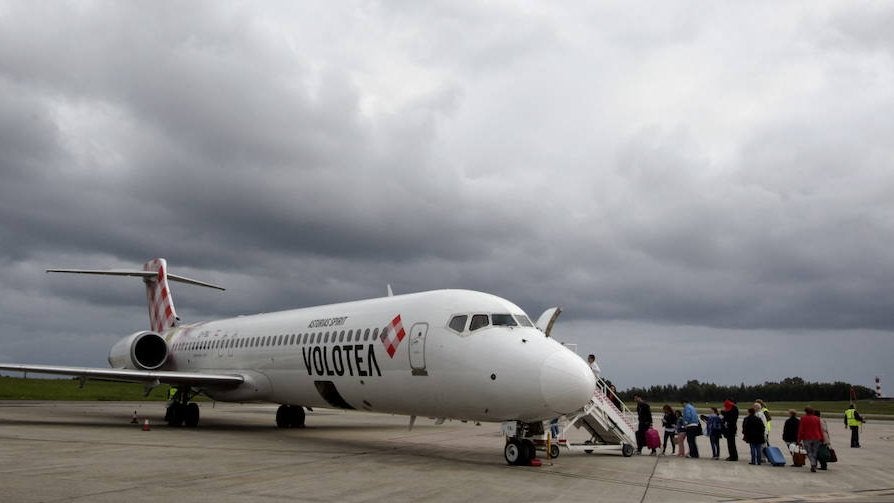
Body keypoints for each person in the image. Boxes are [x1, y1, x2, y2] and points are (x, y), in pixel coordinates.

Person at [798, 406, 824, 473]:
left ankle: (813, 464)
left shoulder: (803, 418)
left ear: (806, 411)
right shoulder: (817, 418)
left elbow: (801, 429)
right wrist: (822, 437)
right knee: (815, 452)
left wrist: (799, 438)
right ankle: (814, 464)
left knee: (809, 452)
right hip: (817, 437)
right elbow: (820, 429)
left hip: (807, 437)